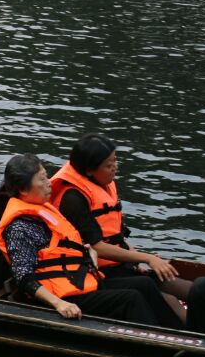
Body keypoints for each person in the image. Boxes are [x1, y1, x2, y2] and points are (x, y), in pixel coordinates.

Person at [0, 153, 181, 329]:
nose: (49, 183)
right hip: (61, 296)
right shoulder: (19, 227)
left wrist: (88, 253)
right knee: (131, 298)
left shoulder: (43, 212)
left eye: (47, 176)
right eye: (42, 179)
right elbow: (24, 276)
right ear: (23, 189)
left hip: (78, 280)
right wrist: (59, 304)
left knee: (144, 284)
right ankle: (160, 346)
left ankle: (178, 333)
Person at [50, 134, 191, 323]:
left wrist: (136, 259)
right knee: (161, 295)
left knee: (187, 288)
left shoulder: (101, 184)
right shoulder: (73, 198)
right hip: (97, 271)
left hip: (120, 264)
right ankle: (186, 335)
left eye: (115, 160)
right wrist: (147, 258)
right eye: (109, 165)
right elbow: (97, 246)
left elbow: (116, 234)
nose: (115, 167)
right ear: (90, 170)